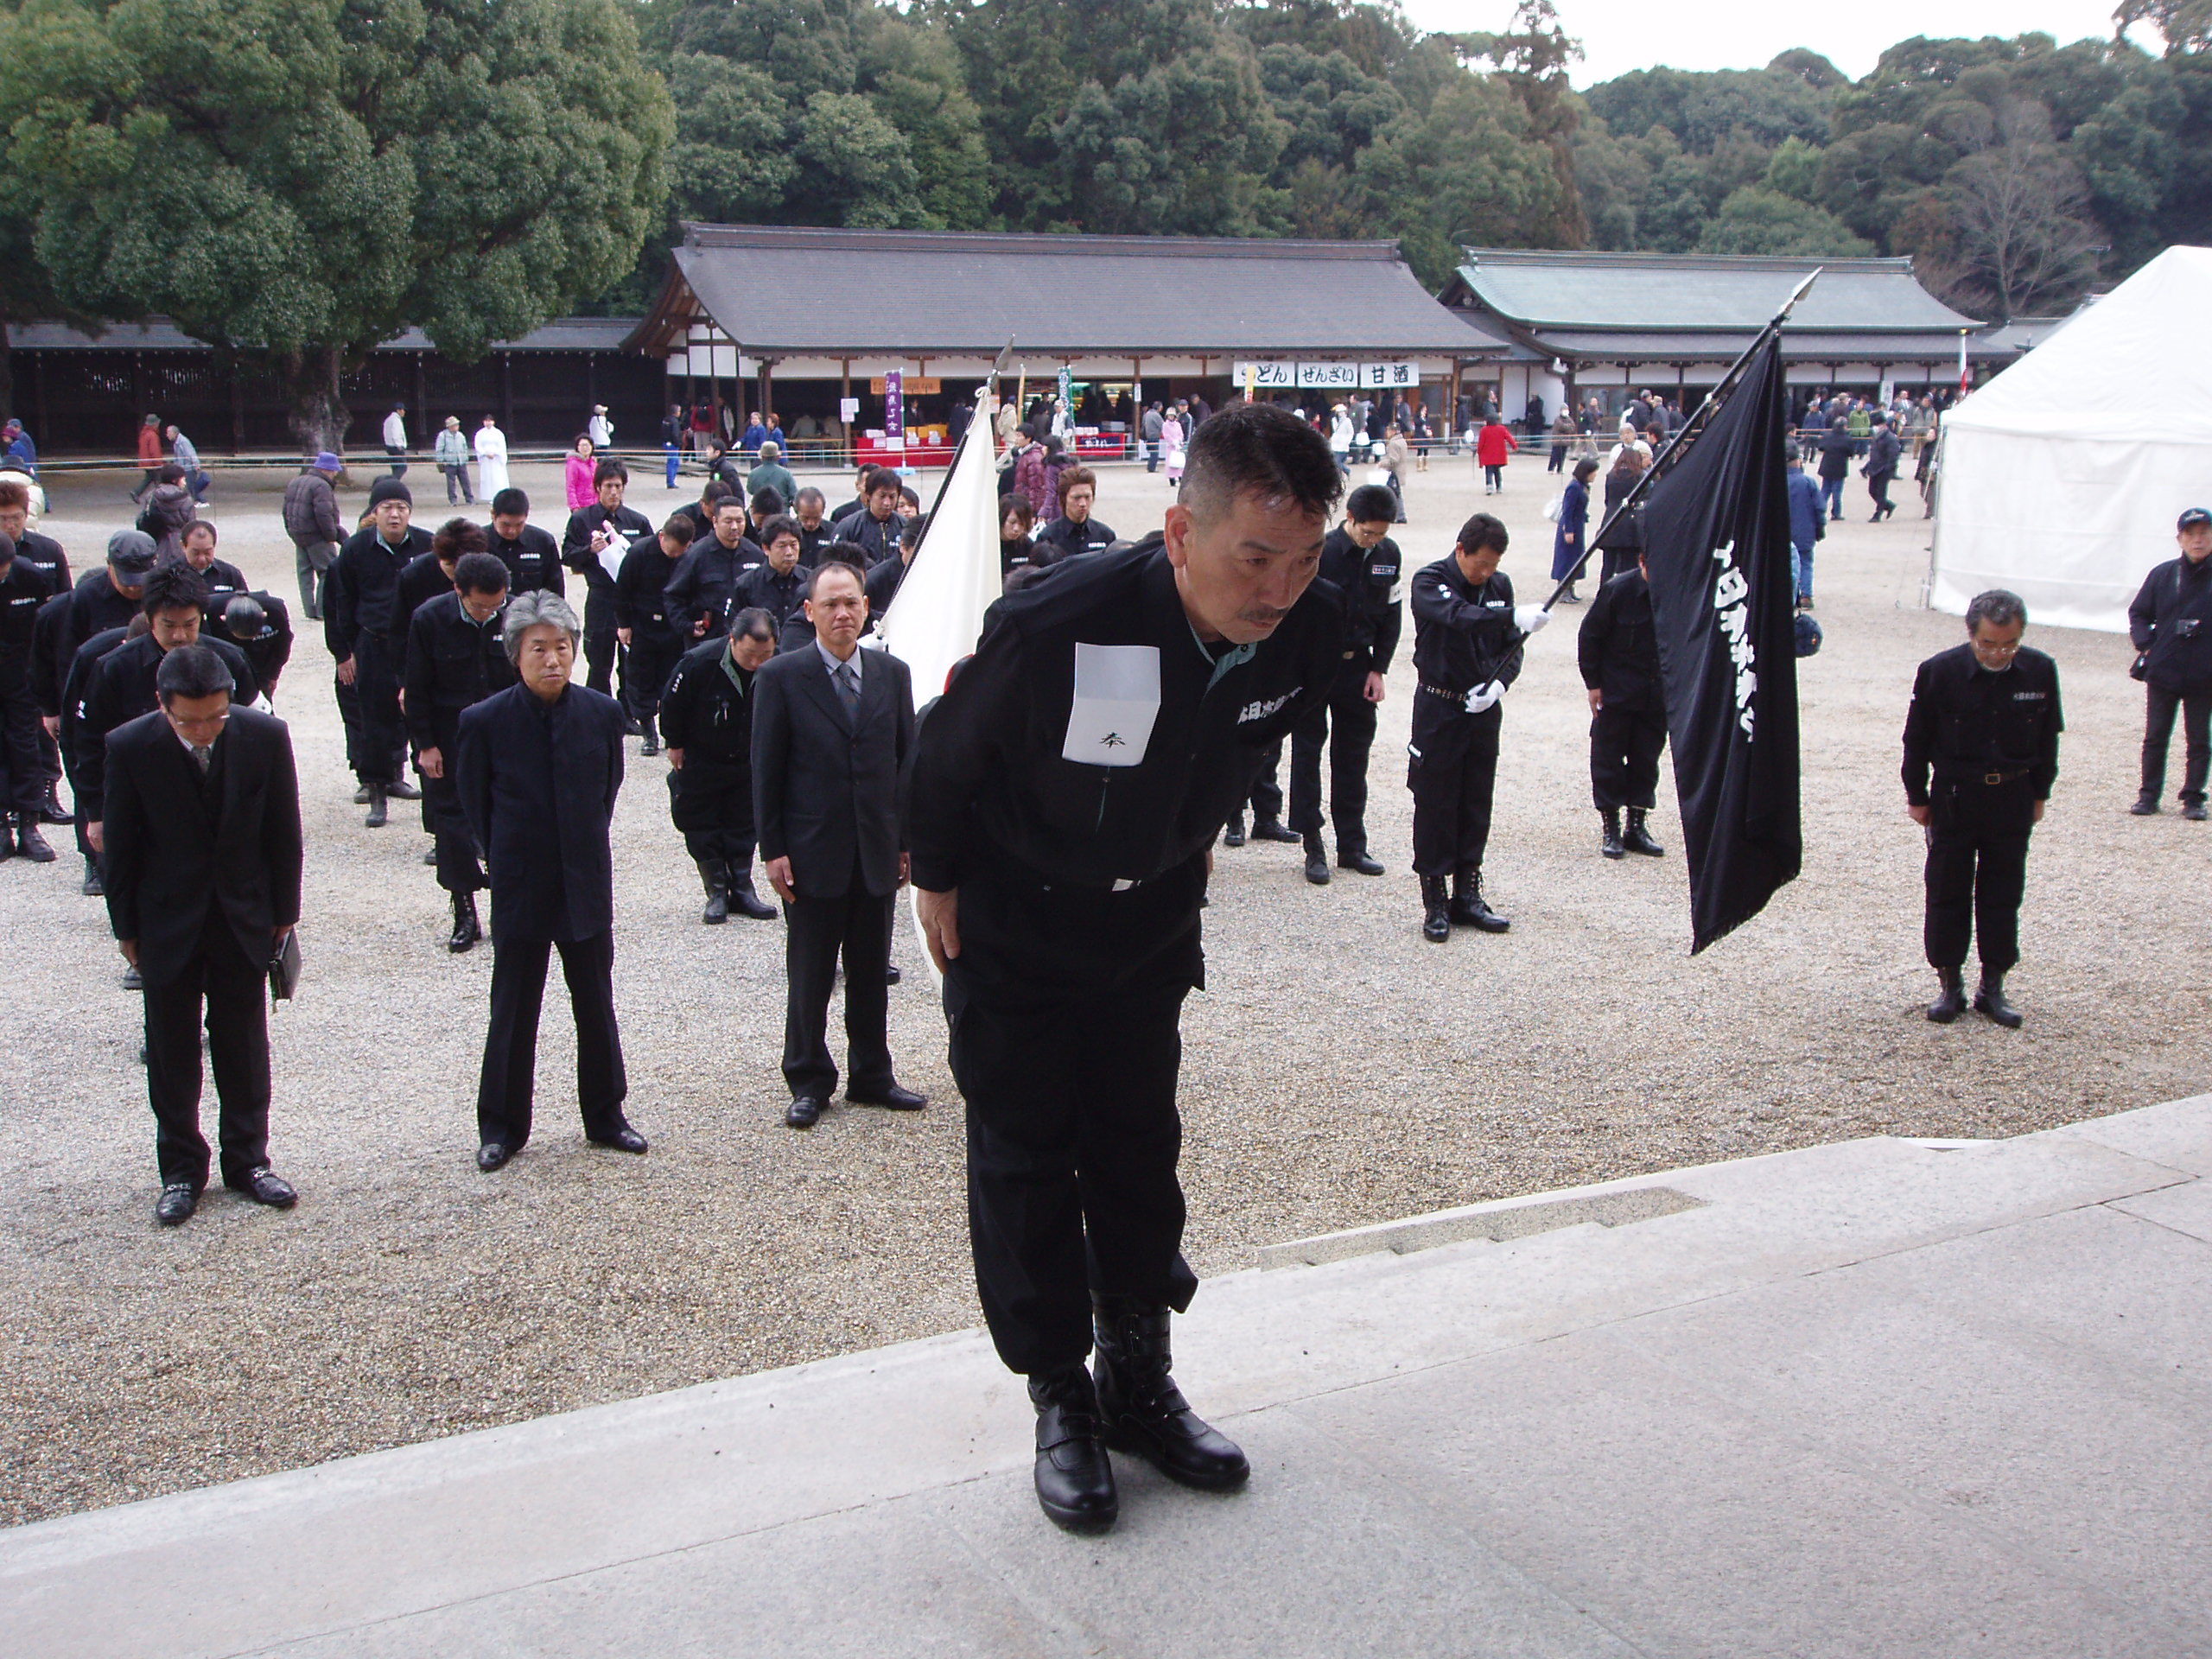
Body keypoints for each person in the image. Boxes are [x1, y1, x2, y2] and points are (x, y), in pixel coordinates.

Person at [906, 402, 1341, 1535]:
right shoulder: (1062, 621)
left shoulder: (1309, 623)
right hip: (1018, 923)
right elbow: (946, 754)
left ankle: (1138, 1383)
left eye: (1303, 559)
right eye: (1257, 556)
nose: (1280, 589)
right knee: (1028, 1155)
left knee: (1139, 1151)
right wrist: (938, 878)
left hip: (1148, 926)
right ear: (1182, 533)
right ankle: (1062, 1397)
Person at [102, 644, 302, 1225]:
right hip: (167, 918)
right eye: (190, 721)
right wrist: (127, 928)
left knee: (243, 1042)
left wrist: (283, 910)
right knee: (172, 1050)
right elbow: (123, 845)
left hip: (242, 914)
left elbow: (283, 832)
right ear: (163, 707)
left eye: (217, 716)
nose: (206, 731)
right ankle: (182, 1169)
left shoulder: (263, 737)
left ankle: (248, 1160)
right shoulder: (130, 746)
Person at [458, 590, 646, 1169]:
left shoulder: (601, 713)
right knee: (514, 1006)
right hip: (521, 879)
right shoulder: (483, 722)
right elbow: (474, 804)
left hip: (585, 876)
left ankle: (606, 1114)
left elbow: (607, 790)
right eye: (538, 649)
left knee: (595, 1002)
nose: (552, 660)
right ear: (517, 655)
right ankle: (502, 1126)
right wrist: (505, 855)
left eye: (562, 647)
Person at [751, 562, 919, 1130]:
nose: (842, 613)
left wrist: (904, 838)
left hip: (875, 848)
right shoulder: (780, 678)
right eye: (830, 605)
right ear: (810, 612)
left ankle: (873, 1074)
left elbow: (906, 763)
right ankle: (808, 1078)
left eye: (851, 603)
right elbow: (766, 769)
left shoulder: (892, 674)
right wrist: (772, 847)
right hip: (810, 850)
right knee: (812, 973)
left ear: (867, 607)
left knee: (871, 973)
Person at [1903, 589, 2061, 1028]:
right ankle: (1949, 984)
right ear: (1971, 634)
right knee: (1947, 891)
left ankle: (1993, 986)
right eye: (1988, 644)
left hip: (2011, 796)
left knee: (2002, 893)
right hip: (1955, 796)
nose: (1998, 653)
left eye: (2008, 644)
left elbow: (2048, 737)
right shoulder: (1939, 672)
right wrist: (1917, 796)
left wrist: (2039, 793)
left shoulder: (2040, 670)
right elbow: (1915, 740)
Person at [1408, 512, 1545, 942]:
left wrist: (1500, 684)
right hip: (1439, 707)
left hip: (1482, 710)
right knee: (1435, 803)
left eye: (1493, 566)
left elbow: (1512, 650)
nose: (1486, 573)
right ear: (1461, 549)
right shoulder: (1430, 580)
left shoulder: (1499, 587)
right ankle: (1435, 899)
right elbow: (1459, 615)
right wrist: (1509, 618)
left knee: (1475, 799)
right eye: (1480, 564)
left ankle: (1467, 892)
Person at [80, 564, 261, 849]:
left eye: (189, 625)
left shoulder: (231, 659)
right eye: (169, 625)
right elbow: (89, 743)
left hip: (219, 795)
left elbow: (258, 729)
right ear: (150, 619)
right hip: (142, 796)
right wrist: (95, 812)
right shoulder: (114, 668)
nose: (179, 636)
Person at [1285, 484, 1402, 884]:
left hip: (1358, 668)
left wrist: (1379, 669)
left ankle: (1352, 844)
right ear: (1349, 518)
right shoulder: (1320, 552)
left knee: (1353, 759)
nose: (1375, 541)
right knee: (1308, 754)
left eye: (1381, 534)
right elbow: (1294, 614)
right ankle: (1312, 843)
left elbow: (1392, 615)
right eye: (1368, 533)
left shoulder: (1388, 556)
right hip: (1316, 667)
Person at [405, 550, 514, 953]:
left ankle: (509, 905)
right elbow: (416, 688)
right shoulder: (429, 619)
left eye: (496, 604)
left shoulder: (514, 614)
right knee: (451, 823)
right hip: (450, 736)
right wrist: (425, 745)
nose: (490, 613)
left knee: (510, 817)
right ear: (458, 590)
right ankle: (464, 908)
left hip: (504, 734)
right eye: (480, 605)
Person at [659, 607, 779, 924]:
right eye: (750, 655)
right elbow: (672, 703)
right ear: (732, 640)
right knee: (700, 822)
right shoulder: (699, 663)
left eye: (765, 655)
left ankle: (742, 887)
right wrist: (675, 743)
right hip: (703, 755)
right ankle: (716, 890)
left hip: (748, 757)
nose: (757, 663)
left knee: (744, 822)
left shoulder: (778, 666)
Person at [327, 476, 431, 827]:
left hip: (414, 644)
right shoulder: (355, 549)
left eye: (401, 507)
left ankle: (408, 778)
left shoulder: (426, 545)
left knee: (417, 715)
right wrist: (344, 652)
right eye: (387, 507)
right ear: (375, 512)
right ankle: (375, 789)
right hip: (371, 642)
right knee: (374, 717)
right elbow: (343, 600)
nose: (395, 514)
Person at [1579, 555, 1668, 861]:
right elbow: (1590, 635)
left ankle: (1637, 826)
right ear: (1643, 561)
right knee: (1608, 759)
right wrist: (1593, 684)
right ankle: (1611, 826)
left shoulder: (1679, 592)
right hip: (1617, 691)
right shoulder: (1618, 591)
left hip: (1656, 693)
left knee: (1646, 759)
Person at [2126, 507, 2212, 818]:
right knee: (2155, 736)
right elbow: (2138, 613)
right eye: (2191, 534)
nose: (2198, 540)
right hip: (2164, 669)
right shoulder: (2163, 575)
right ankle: (2148, 795)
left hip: (2205, 672)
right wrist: (2147, 645)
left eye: (2204, 533)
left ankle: (2194, 798)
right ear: (2180, 539)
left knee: (2200, 738)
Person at [560, 458, 652, 705]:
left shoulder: (637, 521)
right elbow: (567, 555)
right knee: (599, 661)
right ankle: (598, 708)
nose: (613, 492)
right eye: (608, 486)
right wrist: (589, 550)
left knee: (631, 662)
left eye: (618, 486)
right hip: (600, 597)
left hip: (631, 601)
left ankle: (628, 710)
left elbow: (653, 557)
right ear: (597, 487)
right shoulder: (582, 519)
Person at [0, 529, 60, 861]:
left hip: (22, 673)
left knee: (27, 744)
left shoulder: (29, 576)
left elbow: (48, 622)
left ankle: (29, 823)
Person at [612, 515, 696, 754]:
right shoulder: (639, 554)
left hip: (674, 627)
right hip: (643, 624)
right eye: (671, 551)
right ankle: (648, 731)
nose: (675, 556)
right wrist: (624, 624)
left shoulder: (690, 558)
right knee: (640, 679)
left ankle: (672, 732)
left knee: (672, 681)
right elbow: (622, 592)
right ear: (661, 537)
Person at [664, 494, 765, 645]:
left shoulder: (755, 554)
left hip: (745, 641)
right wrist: (686, 626)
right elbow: (673, 596)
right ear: (715, 522)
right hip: (707, 640)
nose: (735, 527)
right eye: (728, 521)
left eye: (739, 521)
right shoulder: (696, 555)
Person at [281, 453, 344, 623]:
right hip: (317, 536)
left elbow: (285, 510)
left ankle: (309, 610)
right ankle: (324, 610)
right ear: (328, 470)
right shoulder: (321, 486)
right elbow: (324, 514)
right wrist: (331, 536)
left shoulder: (296, 481)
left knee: (304, 573)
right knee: (327, 571)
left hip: (298, 534)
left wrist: (291, 532)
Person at [735, 513, 814, 633]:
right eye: (782, 546)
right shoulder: (746, 585)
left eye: (793, 545)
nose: (789, 552)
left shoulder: (812, 581)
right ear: (766, 549)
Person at [485, 487, 564, 598]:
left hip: (530, 612)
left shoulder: (542, 541)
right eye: (506, 525)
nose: (512, 531)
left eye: (519, 524)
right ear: (493, 515)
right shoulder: (477, 542)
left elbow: (555, 587)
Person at [1033, 467, 1115, 563]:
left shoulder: (1105, 535)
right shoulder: (1048, 537)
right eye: (1077, 498)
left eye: (1087, 497)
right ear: (1064, 498)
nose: (1083, 504)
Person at [831, 467, 906, 567]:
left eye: (892, 497)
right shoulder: (849, 527)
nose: (887, 503)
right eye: (882, 496)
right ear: (869, 495)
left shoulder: (906, 527)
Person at [1594, 449, 1646, 584]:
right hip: (1630, 523)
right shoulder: (1639, 476)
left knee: (1608, 565)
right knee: (1629, 566)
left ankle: (1603, 592)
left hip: (1611, 519)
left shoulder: (1611, 475)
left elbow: (1607, 500)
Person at [1551, 456, 1597, 604]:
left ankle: (1570, 588)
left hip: (1578, 526)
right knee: (1566, 558)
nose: (1595, 475)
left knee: (1575, 558)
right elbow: (1568, 511)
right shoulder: (1574, 487)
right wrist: (1568, 530)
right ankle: (1563, 590)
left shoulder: (1581, 486)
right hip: (1570, 526)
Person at [137, 464, 199, 563]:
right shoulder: (185, 499)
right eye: (183, 479)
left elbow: (143, 520)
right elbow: (191, 525)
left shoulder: (152, 496)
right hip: (179, 543)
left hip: (156, 542)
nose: (185, 482)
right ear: (175, 480)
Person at [1785, 456, 1823, 610]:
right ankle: (1806, 595)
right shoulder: (1808, 482)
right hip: (1804, 530)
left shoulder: (1773, 481)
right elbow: (1819, 507)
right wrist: (1820, 528)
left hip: (1783, 531)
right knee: (1806, 563)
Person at [174, 519, 247, 598]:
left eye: (207, 552)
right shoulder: (169, 576)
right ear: (183, 547)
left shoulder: (231, 575)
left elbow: (246, 605)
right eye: (196, 553)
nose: (202, 559)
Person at [1864, 412, 1901, 521]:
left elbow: (1893, 455)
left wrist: (1889, 468)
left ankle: (1878, 514)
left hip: (1884, 469)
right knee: (1872, 491)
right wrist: (1867, 467)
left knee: (1881, 492)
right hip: (1874, 467)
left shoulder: (1890, 438)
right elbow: (1874, 453)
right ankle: (1888, 506)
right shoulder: (1877, 436)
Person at [1816, 416, 1853, 522]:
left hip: (1827, 466)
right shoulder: (1847, 439)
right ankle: (1836, 513)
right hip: (1840, 467)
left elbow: (1820, 447)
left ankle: (1819, 511)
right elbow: (1851, 453)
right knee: (1837, 493)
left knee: (1825, 491)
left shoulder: (1827, 436)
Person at [1475, 411, 1518, 494]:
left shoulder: (1484, 430)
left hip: (1488, 455)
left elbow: (1481, 443)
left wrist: (1479, 451)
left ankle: (1489, 487)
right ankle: (1499, 487)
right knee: (1497, 471)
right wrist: (1514, 446)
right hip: (1499, 454)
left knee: (1488, 472)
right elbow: (1509, 438)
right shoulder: (1501, 429)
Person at [747, 441, 798, 512]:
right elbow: (794, 494)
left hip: (761, 513)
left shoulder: (752, 474)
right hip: (782, 512)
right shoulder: (786, 473)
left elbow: (750, 490)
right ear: (777, 457)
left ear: (762, 457)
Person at [435, 416, 474, 505]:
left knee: (465, 482)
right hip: (450, 462)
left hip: (461, 462)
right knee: (451, 483)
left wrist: (465, 458)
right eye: (454, 425)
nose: (456, 427)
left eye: (457, 425)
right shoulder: (443, 436)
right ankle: (453, 500)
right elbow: (439, 449)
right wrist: (440, 461)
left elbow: (465, 448)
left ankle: (469, 499)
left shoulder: (460, 435)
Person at [166, 425, 209, 502]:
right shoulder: (177, 442)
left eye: (169, 433)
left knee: (190, 487)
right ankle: (195, 501)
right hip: (184, 468)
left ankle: (200, 501)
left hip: (188, 468)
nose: (167, 435)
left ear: (175, 433)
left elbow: (190, 453)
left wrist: (196, 464)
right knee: (189, 487)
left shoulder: (183, 442)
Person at [130, 415, 165, 504]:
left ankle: (137, 493)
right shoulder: (153, 435)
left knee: (149, 479)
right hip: (152, 463)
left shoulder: (144, 434)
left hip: (146, 462)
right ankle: (162, 497)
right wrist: (159, 463)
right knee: (158, 480)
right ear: (154, 424)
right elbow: (154, 451)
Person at [474, 415, 510, 499]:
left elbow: (502, 446)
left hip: (496, 458)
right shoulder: (480, 434)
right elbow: (478, 445)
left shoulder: (498, 433)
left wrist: (495, 453)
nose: (488, 423)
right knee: (487, 477)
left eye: (490, 421)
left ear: (493, 422)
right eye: (486, 421)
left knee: (497, 477)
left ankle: (499, 495)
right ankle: (488, 496)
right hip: (485, 458)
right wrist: (485, 453)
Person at [1000, 495, 1038, 575]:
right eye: (1012, 522)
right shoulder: (987, 544)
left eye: (1022, 523)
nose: (1016, 529)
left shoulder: (1027, 545)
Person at [1160, 407, 1186, 486]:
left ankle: (1181, 479)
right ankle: (1172, 480)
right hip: (1170, 446)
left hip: (1178, 446)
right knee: (1171, 463)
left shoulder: (1178, 425)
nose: (1171, 417)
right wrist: (1173, 442)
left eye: (1172, 416)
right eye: (1169, 416)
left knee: (1180, 464)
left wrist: (1179, 441)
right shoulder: (1165, 425)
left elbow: (1181, 434)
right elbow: (1166, 435)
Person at [1548, 406, 1576, 474]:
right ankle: (1551, 469)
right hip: (1557, 441)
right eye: (1564, 410)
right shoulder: (1557, 419)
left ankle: (1560, 469)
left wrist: (1568, 427)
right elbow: (1561, 426)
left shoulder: (1569, 419)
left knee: (1562, 456)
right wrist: (1568, 427)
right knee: (1555, 455)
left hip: (1565, 442)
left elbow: (1573, 427)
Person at [1140, 401, 1164, 473]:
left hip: (1147, 435)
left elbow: (1143, 425)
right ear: (1159, 407)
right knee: (1155, 453)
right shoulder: (1156, 415)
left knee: (1152, 452)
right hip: (1154, 435)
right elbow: (1162, 425)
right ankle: (1152, 468)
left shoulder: (1146, 414)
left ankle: (1150, 466)